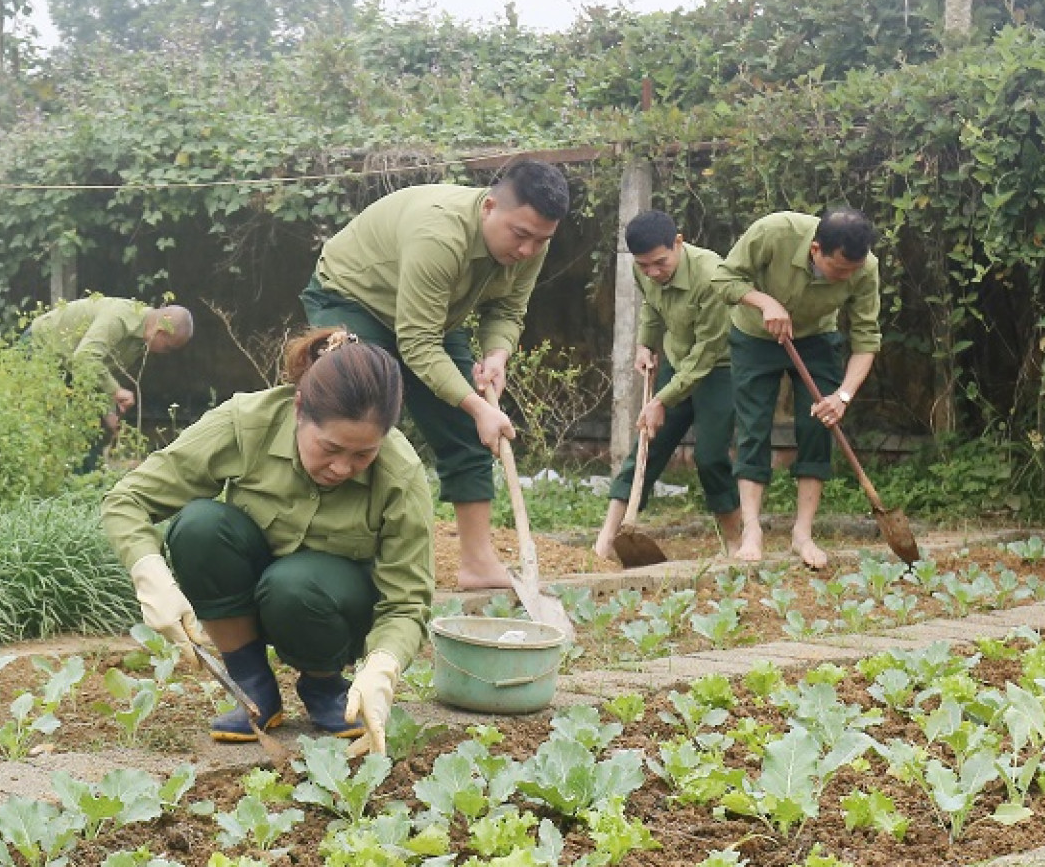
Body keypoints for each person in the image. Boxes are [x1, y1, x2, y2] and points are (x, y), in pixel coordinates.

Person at [101, 328, 433, 754]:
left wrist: (383, 665)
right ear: (299, 409)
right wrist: (148, 570)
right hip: (255, 595)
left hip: (335, 612)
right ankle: (252, 684)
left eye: (362, 455)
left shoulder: (400, 473)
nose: (342, 467)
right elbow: (127, 499)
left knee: (293, 583)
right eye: (330, 448)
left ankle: (325, 687)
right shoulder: (247, 422)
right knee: (199, 526)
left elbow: (407, 602)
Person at [301, 159, 570, 590]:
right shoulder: (439, 235)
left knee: (468, 427)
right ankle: (330, 549)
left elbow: (507, 309)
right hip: (354, 297)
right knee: (357, 410)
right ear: (488, 208)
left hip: (431, 318)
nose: (527, 251)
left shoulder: (531, 241)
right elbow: (417, 343)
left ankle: (478, 563)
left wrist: (498, 354)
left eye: (541, 240)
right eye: (520, 235)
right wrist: (477, 403)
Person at [712, 208, 882, 569]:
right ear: (816, 249)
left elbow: (867, 340)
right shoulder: (774, 232)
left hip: (816, 338)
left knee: (818, 425)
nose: (845, 279)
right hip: (755, 335)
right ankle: (752, 530)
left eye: (852, 272)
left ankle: (802, 534)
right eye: (839, 270)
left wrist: (843, 396)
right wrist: (765, 301)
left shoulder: (865, 268)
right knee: (753, 427)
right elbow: (724, 279)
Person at [593, 210, 740, 562]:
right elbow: (652, 309)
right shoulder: (644, 269)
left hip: (720, 368)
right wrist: (646, 343)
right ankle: (607, 539)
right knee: (647, 445)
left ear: (678, 241)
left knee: (709, 457)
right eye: (644, 266)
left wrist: (662, 398)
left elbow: (707, 352)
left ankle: (735, 540)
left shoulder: (711, 275)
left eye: (660, 263)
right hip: (677, 361)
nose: (653, 273)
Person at [28, 295, 194, 467]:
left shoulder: (139, 341)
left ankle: (85, 485)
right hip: (39, 350)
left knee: (89, 432)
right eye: (168, 347)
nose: (165, 353)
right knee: (39, 432)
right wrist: (115, 390)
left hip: (71, 367)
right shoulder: (119, 318)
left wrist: (108, 410)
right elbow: (85, 358)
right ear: (160, 330)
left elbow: (97, 372)